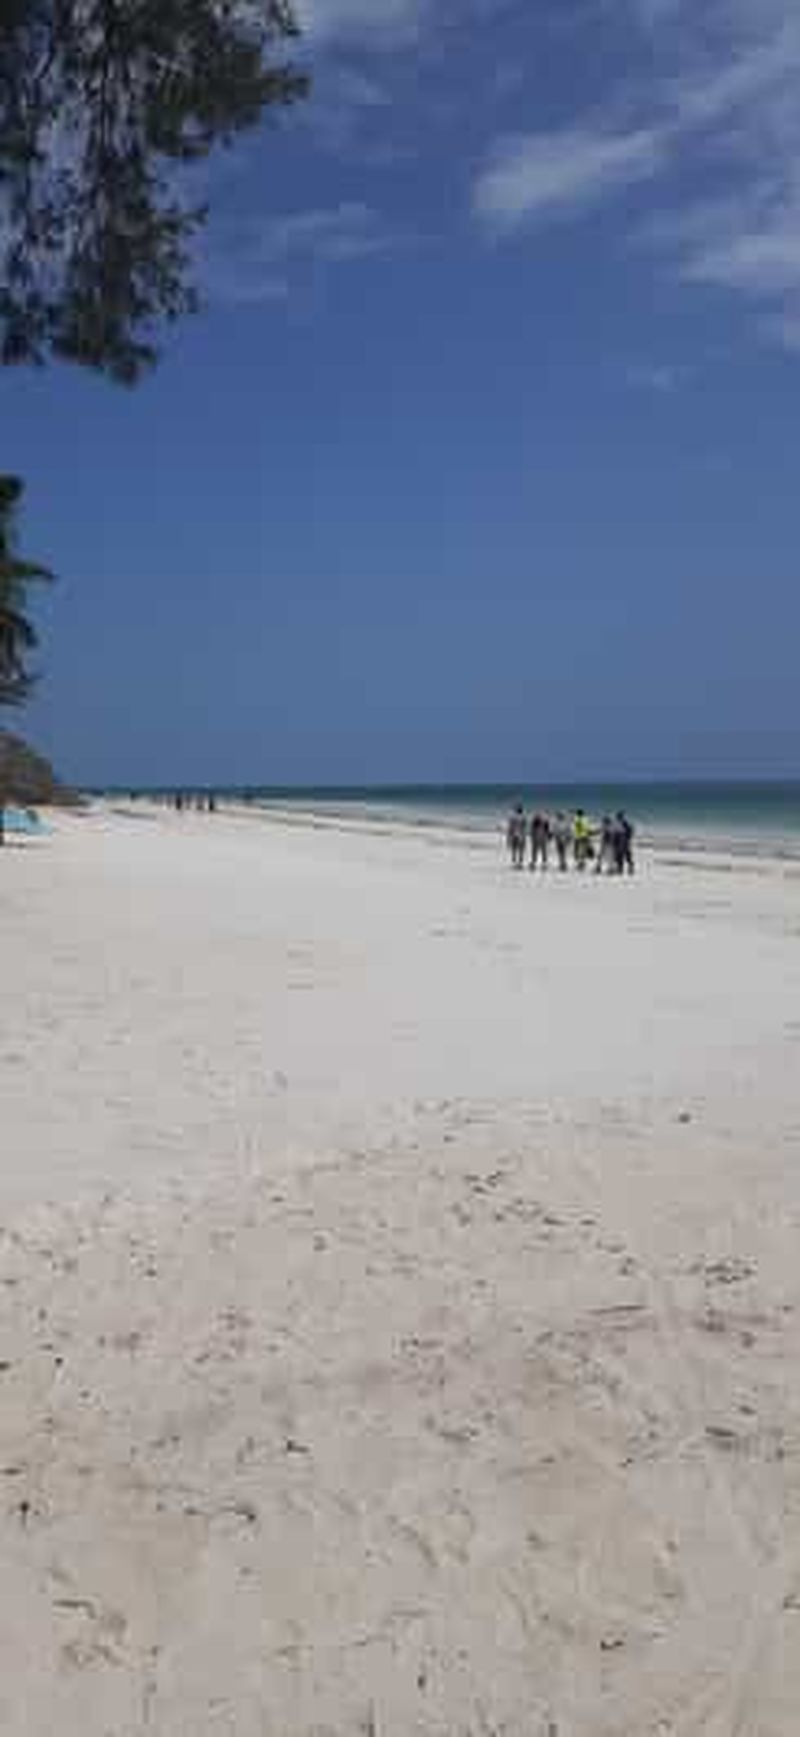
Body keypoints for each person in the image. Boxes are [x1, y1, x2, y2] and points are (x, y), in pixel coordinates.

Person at [614, 810, 635, 875]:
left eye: (619, 816)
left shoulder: (625, 824)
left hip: (624, 843)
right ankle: (620, 869)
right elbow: (615, 834)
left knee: (627, 856)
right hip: (620, 843)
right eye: (618, 817)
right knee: (619, 856)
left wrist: (627, 839)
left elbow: (629, 832)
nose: (618, 818)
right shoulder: (617, 824)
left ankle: (630, 868)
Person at [506, 803, 526, 870]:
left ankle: (518, 863)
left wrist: (509, 836)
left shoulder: (516, 817)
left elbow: (511, 827)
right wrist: (509, 836)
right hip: (517, 835)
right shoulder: (517, 817)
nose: (519, 809)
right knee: (516, 849)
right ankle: (517, 863)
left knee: (517, 850)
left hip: (518, 835)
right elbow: (511, 827)